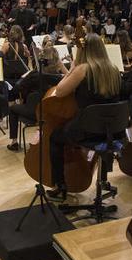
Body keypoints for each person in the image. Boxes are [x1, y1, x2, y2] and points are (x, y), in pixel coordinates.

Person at [46, 33, 122, 200]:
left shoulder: (83, 69)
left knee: (54, 137)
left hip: (88, 129)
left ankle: (60, 185)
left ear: (83, 50)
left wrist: (72, 69)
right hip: (113, 130)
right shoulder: (114, 69)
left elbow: (59, 92)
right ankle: (99, 180)